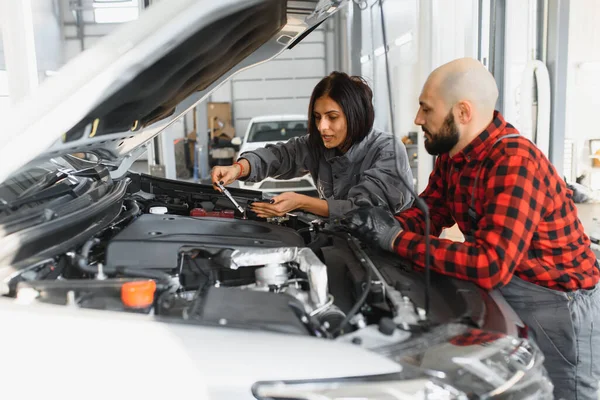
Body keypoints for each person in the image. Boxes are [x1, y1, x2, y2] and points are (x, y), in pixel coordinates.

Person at [342, 57, 600, 400]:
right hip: (515, 290)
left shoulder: (514, 162)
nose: (418, 120)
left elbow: (489, 264)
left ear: (463, 113)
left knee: (565, 395)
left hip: (559, 303)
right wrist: (378, 227)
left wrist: (395, 239)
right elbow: (430, 212)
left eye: (426, 109)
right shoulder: (454, 156)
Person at [211, 71, 414, 219]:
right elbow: (280, 156)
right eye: (317, 117)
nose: (322, 127)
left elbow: (363, 210)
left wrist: (302, 202)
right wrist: (238, 168)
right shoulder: (317, 145)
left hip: (389, 255)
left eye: (332, 117)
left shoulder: (388, 150)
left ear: (356, 116)